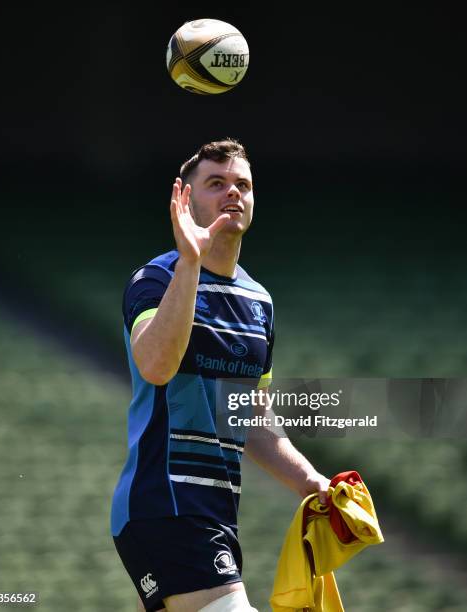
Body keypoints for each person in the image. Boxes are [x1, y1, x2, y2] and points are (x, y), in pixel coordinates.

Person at [111, 138, 330, 612]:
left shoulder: (260, 302)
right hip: (165, 504)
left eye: (243, 185)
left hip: (219, 516)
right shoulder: (154, 279)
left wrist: (311, 482)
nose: (233, 192)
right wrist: (190, 261)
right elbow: (155, 366)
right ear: (186, 201)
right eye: (216, 183)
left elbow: (248, 414)